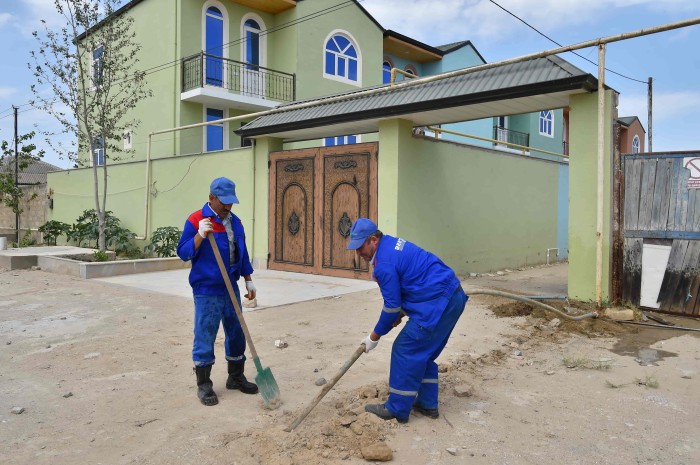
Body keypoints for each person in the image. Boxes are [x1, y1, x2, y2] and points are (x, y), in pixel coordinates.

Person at [347, 218, 468, 423]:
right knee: (423, 353)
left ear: (373, 240)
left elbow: (391, 306)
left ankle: (396, 408)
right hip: (452, 297)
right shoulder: (391, 245)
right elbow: (408, 285)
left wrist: (374, 337)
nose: (358, 253)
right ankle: (427, 404)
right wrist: (400, 314)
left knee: (405, 348)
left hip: (436, 306)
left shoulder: (383, 264)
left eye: (360, 247)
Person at [177, 177, 259, 406]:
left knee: (236, 331)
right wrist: (199, 235)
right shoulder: (196, 220)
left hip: (230, 285)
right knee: (205, 333)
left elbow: (240, 252)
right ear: (211, 197)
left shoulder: (236, 222)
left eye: (231, 202)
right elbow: (183, 253)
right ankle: (204, 385)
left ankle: (235, 376)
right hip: (207, 288)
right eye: (223, 202)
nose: (227, 207)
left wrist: (248, 280)